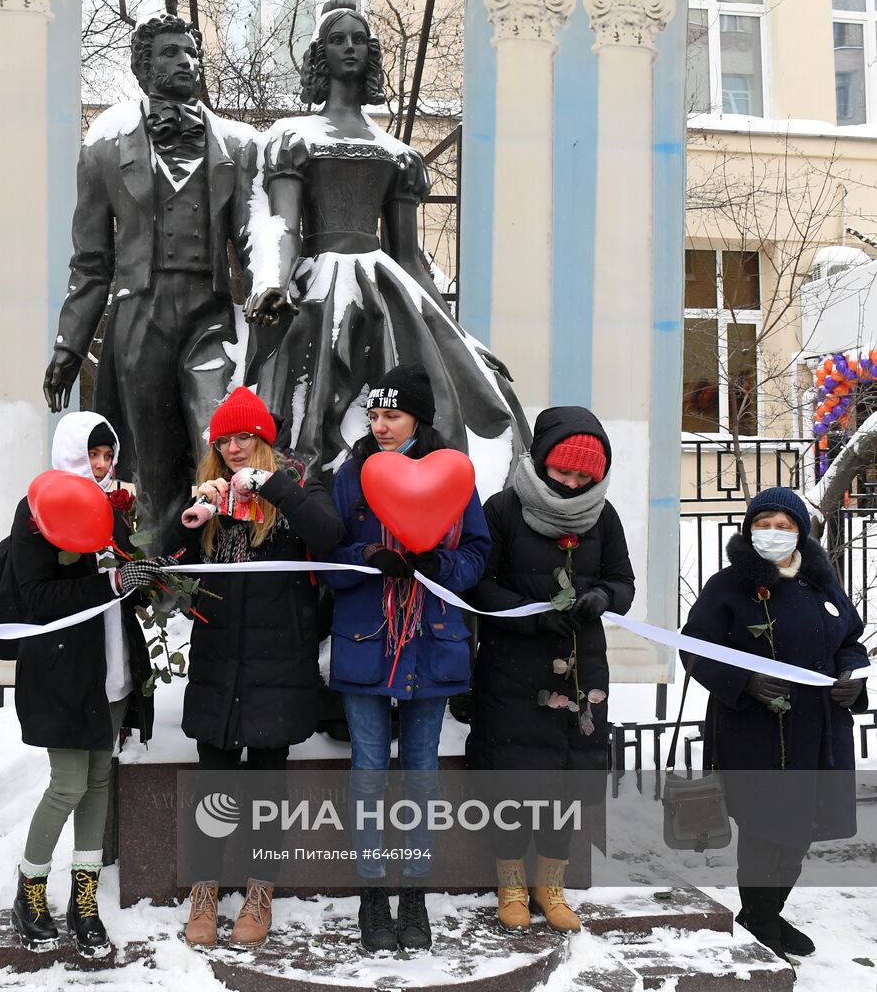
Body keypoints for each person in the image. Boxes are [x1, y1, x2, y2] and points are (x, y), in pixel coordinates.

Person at [246, 0, 526, 477]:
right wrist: (272, 280)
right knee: (311, 405)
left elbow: (409, 259)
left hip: (384, 285)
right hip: (319, 287)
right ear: (321, 54)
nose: (349, 48)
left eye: (358, 39)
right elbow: (285, 225)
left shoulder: (398, 156)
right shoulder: (294, 139)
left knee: (427, 390)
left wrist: (458, 336)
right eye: (337, 40)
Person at [42, 13, 260, 550]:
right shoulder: (105, 148)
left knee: (219, 433)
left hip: (211, 311)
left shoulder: (238, 144)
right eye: (168, 53)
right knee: (153, 454)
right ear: (143, 66)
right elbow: (91, 261)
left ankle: (228, 562)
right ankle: (162, 583)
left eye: (190, 52)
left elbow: (256, 239)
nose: (184, 62)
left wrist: (271, 304)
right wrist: (70, 346)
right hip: (140, 314)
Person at [321, 362, 491, 953]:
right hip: (369, 640)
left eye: (392, 414)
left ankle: (414, 892)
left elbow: (477, 551)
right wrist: (370, 557)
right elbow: (327, 554)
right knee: (368, 772)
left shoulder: (453, 474)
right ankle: (373, 895)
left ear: (418, 417)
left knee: (420, 774)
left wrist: (442, 568)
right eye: (373, 414)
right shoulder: (352, 474)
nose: (381, 425)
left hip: (432, 641)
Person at [171, 387, 345, 948]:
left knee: (267, 788)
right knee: (214, 788)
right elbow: (163, 559)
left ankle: (258, 893)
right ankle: (203, 893)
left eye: (243, 437)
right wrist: (192, 516)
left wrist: (272, 487)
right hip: (220, 665)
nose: (233, 449)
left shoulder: (294, 485)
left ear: (264, 440)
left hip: (278, 666)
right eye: (223, 441)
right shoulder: (211, 495)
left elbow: (329, 533)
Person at [464, 407, 634, 934]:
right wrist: (534, 617)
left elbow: (622, 583)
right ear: (541, 462)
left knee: (566, 783)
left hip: (580, 673)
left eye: (584, 476)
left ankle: (551, 884)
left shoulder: (603, 518)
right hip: (514, 669)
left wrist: (601, 597)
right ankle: (511, 883)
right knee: (513, 786)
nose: (573, 483)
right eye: (564, 472)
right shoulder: (504, 510)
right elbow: (478, 586)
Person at [681, 487, 868, 963]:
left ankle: (766, 912)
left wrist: (853, 678)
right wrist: (743, 681)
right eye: (764, 523)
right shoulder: (728, 585)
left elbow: (850, 640)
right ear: (749, 529)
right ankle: (760, 920)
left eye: (784, 525)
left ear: (801, 533)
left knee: (801, 828)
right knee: (766, 828)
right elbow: (695, 647)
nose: (774, 533)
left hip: (819, 729)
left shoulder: (823, 585)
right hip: (755, 730)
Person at [9, 412, 161, 958]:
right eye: (92, 454)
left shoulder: (113, 513)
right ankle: (29, 893)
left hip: (113, 671)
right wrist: (112, 582)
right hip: (63, 674)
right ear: (70, 452)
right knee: (68, 785)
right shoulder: (34, 514)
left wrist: (145, 579)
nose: (101, 465)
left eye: (107, 455)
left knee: (99, 783)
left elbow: (122, 585)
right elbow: (36, 601)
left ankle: (85, 900)